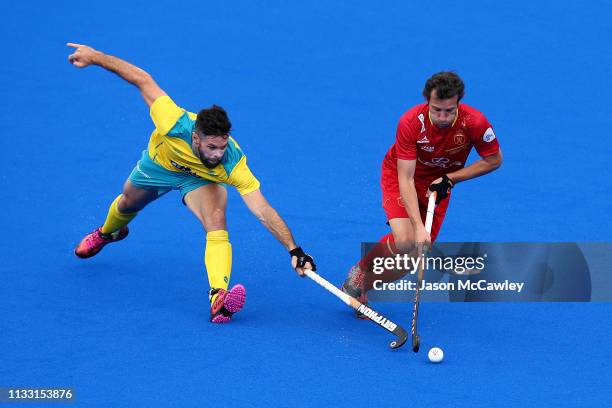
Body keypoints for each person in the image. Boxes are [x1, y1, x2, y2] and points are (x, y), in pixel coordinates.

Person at [67, 43, 316, 323]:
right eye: (212, 147)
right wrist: (96, 57)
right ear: (196, 139)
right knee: (127, 203)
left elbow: (262, 210)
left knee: (217, 218)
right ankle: (108, 233)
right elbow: (141, 78)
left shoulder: (232, 162)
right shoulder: (173, 122)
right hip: (160, 166)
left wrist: (295, 250)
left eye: (222, 147)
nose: (218, 154)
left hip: (200, 181)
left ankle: (218, 298)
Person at [341, 71, 502, 315]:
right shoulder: (410, 122)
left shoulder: (475, 122)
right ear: (427, 100)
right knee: (406, 239)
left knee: (412, 258)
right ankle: (360, 270)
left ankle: (360, 287)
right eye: (436, 109)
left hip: (439, 185)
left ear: (459, 102)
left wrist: (451, 178)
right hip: (402, 175)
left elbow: (493, 160)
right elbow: (405, 177)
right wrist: (418, 225)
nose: (442, 117)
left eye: (450, 110)